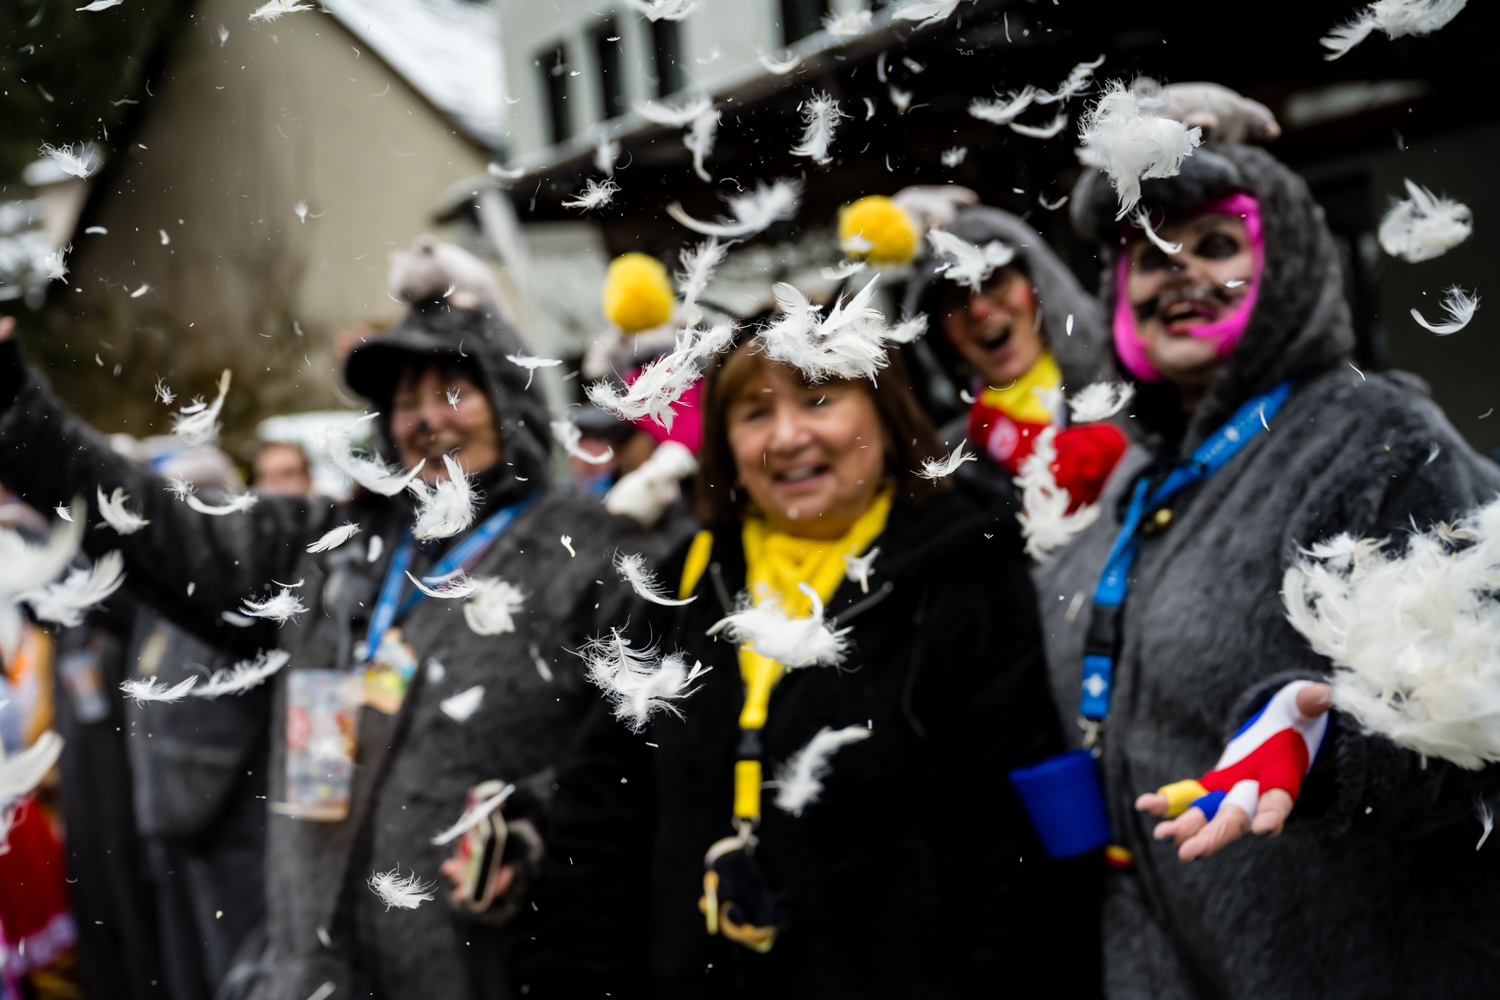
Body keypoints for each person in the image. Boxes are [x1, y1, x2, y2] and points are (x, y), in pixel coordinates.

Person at [0, 235, 643, 1000]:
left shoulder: (591, 554)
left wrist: (534, 820)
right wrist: (13, 403)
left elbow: (637, 764)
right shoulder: (331, 546)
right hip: (313, 977)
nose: (426, 421)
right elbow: (157, 525)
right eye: (404, 401)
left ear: (513, 402)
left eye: (453, 392)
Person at [1034, 94, 1500, 999]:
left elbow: (1483, 700)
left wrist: (1326, 746)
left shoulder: (1379, 438)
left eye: (1216, 244)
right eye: (1148, 250)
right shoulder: (1142, 481)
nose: (1179, 272)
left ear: (1284, 264)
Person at [508, 332, 1100, 998]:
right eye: (755, 413)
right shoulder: (683, 583)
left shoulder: (970, 574)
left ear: (886, 411)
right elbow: (598, 823)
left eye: (819, 400)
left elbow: (1024, 847)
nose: (788, 437)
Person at [900, 204, 1125, 511]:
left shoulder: (1135, 392)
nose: (979, 310)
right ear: (940, 337)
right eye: (956, 300)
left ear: (1039, 285)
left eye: (993, 282)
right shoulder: (946, 465)